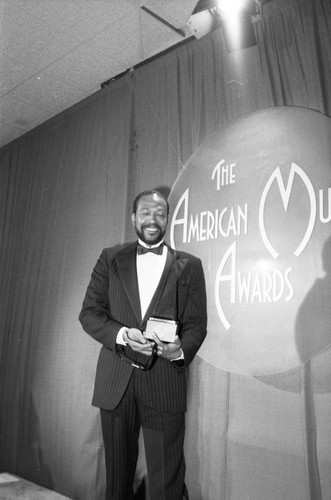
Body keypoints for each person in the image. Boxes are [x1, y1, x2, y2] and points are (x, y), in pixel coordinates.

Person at [79, 189, 207, 500]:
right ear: (134, 218)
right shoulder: (110, 258)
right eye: (146, 213)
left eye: (160, 214)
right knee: (118, 482)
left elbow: (196, 325)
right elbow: (90, 313)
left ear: (168, 219)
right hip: (116, 383)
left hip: (164, 382)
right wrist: (123, 335)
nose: (153, 219)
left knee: (167, 482)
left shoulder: (189, 265)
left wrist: (180, 350)